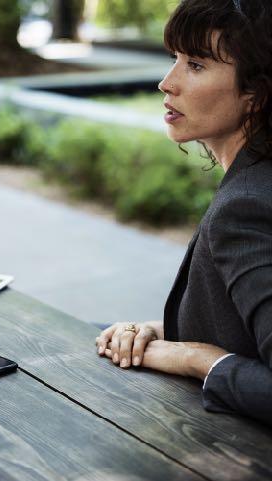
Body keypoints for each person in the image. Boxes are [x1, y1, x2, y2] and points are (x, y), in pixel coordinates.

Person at [95, 0, 272, 427]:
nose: (166, 83)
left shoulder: (245, 208)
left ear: (257, 92)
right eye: (174, 59)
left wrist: (195, 358)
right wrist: (161, 331)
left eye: (195, 65)